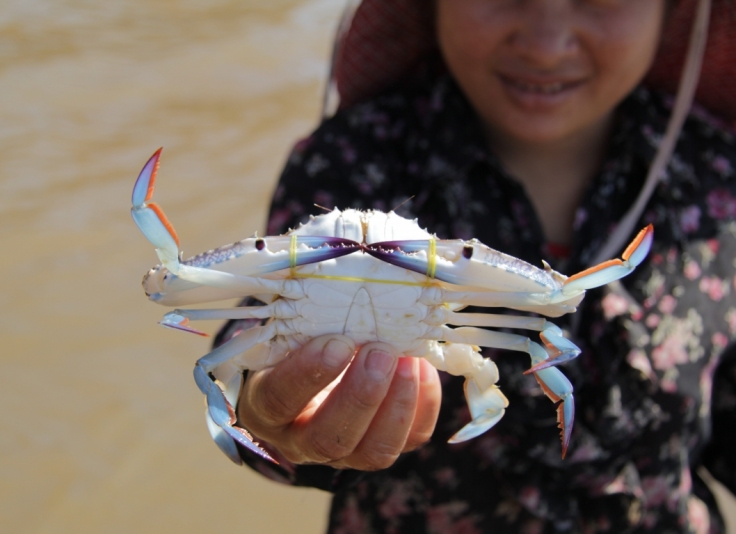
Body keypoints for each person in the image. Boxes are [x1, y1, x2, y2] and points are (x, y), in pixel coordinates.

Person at [214, 0, 736, 531]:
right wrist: (272, 412)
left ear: (674, 15)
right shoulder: (354, 158)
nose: (546, 44)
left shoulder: (718, 179)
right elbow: (248, 345)